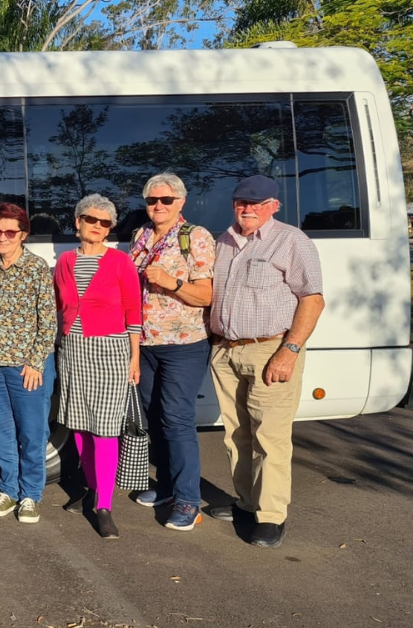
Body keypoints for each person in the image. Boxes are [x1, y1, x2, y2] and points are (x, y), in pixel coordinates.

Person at [208, 174, 324, 548]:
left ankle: (271, 517)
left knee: (269, 437)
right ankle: (246, 501)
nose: (248, 209)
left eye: (257, 204)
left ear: (274, 205)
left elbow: (312, 300)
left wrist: (289, 352)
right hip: (226, 349)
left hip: (270, 350)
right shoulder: (223, 242)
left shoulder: (292, 241)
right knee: (236, 434)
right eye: (242, 202)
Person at [129, 173, 215, 531]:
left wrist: (172, 282)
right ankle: (165, 487)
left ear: (181, 201)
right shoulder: (141, 236)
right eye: (152, 200)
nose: (158, 206)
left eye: (165, 200)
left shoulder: (195, 236)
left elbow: (206, 296)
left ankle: (187, 501)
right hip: (146, 344)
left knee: (178, 419)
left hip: (183, 345)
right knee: (154, 416)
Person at [54, 194, 141, 539]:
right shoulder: (64, 261)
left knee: (104, 428)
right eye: (91, 219)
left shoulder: (120, 262)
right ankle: (90, 488)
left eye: (105, 223)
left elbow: (134, 311)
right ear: (78, 222)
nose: (98, 227)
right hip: (73, 349)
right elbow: (61, 306)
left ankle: (104, 505)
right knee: (78, 426)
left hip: (110, 350)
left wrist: (134, 357)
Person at [0, 202, 56, 524]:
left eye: (10, 232)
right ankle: (8, 489)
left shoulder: (37, 268)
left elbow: (48, 321)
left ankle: (31, 495)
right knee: (0, 432)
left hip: (28, 367)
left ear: (23, 234)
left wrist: (37, 362)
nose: (3, 237)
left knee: (32, 433)